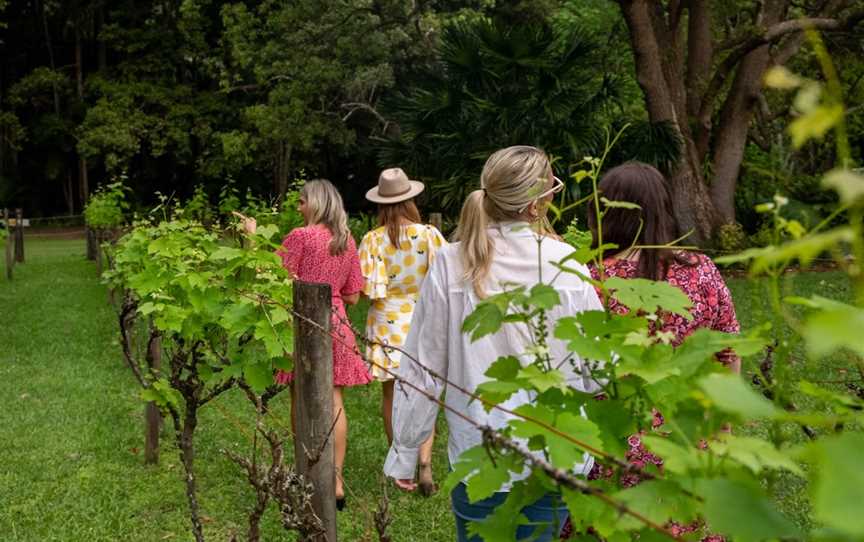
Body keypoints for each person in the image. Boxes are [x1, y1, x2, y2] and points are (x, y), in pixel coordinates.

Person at [383, 146, 604, 541]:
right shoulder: (566, 264)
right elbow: (597, 369)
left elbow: (421, 367)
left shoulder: (452, 262)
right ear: (540, 202)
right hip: (555, 453)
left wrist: (405, 451)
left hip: (479, 454)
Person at [561, 161, 740, 540]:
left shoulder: (588, 279)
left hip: (611, 435)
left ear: (603, 210)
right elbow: (728, 352)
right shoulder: (702, 270)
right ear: (664, 207)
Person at [243, 179, 371, 511]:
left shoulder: (300, 237)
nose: (298, 207)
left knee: (300, 397)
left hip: (302, 325)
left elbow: (269, 275)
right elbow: (354, 294)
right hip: (338, 323)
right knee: (335, 399)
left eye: (302, 201)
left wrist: (251, 236)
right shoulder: (346, 240)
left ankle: (306, 470)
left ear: (316, 203)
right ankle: (337, 482)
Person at [358, 167, 447, 496]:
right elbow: (444, 280)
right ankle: (425, 461)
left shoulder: (372, 240)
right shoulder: (429, 235)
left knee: (392, 396)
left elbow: (368, 290)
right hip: (423, 318)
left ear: (381, 204)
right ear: (410, 199)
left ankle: (402, 466)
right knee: (424, 392)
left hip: (386, 320)